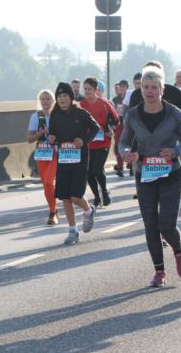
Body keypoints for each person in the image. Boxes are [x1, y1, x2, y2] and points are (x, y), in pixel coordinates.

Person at [119, 66, 181, 287]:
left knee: (166, 225)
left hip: (170, 173)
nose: (149, 91)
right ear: (141, 89)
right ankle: (159, 272)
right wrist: (126, 153)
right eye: (145, 87)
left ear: (162, 90)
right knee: (151, 225)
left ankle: (178, 251)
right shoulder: (133, 115)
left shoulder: (174, 113)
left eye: (154, 87)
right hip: (145, 175)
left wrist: (175, 151)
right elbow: (123, 141)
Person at [129, 61, 181, 209]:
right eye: (148, 75)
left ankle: (176, 196)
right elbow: (130, 119)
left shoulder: (175, 92)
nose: (150, 88)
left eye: (156, 74)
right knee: (137, 164)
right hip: (143, 140)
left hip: (168, 142)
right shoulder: (137, 94)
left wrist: (179, 132)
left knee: (172, 174)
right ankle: (142, 189)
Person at [48, 82, 100, 245]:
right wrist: (52, 139)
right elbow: (52, 134)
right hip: (63, 160)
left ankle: (89, 210)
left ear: (71, 98)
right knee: (65, 198)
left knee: (75, 197)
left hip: (80, 160)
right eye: (59, 96)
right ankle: (73, 231)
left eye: (65, 96)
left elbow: (96, 128)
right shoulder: (54, 115)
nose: (62, 99)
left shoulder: (81, 113)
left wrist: (84, 140)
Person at [81, 77, 119, 207]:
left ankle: (105, 192)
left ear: (96, 89)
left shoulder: (104, 104)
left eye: (89, 89)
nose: (87, 91)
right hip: (89, 143)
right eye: (85, 89)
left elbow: (116, 120)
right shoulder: (81, 105)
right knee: (89, 173)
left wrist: (111, 130)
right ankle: (97, 197)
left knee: (97, 168)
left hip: (103, 142)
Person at [27, 89, 59, 225]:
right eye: (42, 99)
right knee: (46, 184)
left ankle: (52, 213)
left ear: (53, 101)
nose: (45, 101)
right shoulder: (35, 117)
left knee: (49, 182)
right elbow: (29, 139)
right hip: (42, 153)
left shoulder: (58, 115)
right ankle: (54, 209)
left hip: (56, 152)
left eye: (48, 99)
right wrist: (39, 134)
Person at [111, 79, 130, 178]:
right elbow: (112, 113)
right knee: (119, 145)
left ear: (127, 87)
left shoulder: (130, 97)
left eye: (124, 86)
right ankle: (120, 167)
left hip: (129, 124)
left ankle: (131, 165)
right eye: (120, 86)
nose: (122, 88)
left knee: (131, 145)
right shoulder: (115, 100)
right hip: (119, 124)